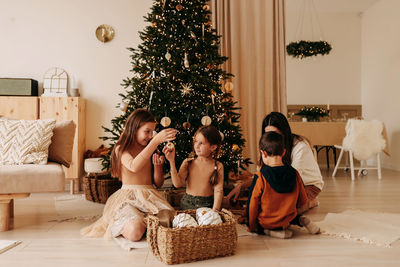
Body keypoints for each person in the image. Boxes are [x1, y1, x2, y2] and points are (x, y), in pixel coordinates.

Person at [81, 109, 177, 250]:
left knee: (173, 222)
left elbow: (158, 183)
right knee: (135, 231)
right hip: (129, 198)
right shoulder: (122, 148)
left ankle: (146, 224)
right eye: (147, 131)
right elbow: (134, 166)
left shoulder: (150, 149)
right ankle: (132, 224)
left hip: (149, 196)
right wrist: (155, 142)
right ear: (134, 127)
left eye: (152, 132)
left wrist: (158, 167)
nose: (150, 136)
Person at [227, 112, 323, 213]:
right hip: (279, 185)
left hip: (306, 185)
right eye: (268, 134)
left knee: (283, 210)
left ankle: (311, 202)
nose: (272, 139)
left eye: (275, 134)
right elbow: (263, 175)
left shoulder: (300, 146)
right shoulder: (268, 144)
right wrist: (242, 186)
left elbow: (290, 180)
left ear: (284, 133)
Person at [247, 131, 320, 238]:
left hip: (268, 221)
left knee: (257, 225)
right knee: (294, 215)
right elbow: (303, 200)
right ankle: (301, 220)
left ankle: (272, 232)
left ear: (263, 153)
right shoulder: (294, 173)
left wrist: (251, 225)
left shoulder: (260, 177)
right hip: (288, 219)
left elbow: (252, 204)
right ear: (283, 152)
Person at [164, 125, 224, 211]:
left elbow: (218, 191)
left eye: (201, 143)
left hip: (207, 206)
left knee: (209, 224)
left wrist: (215, 211)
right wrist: (171, 161)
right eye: (196, 141)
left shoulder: (218, 165)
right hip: (187, 205)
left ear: (213, 147)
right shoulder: (188, 163)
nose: (197, 146)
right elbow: (177, 184)